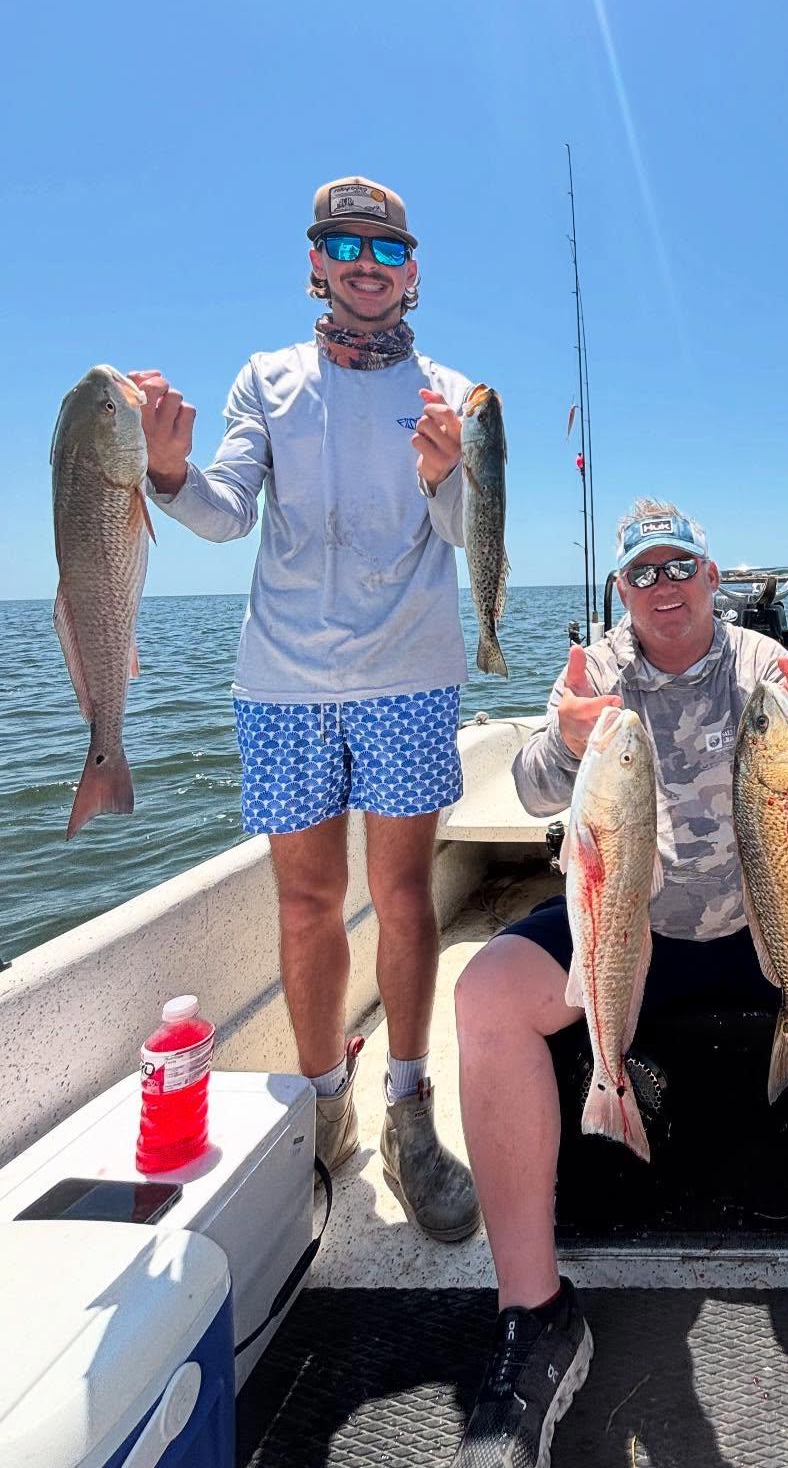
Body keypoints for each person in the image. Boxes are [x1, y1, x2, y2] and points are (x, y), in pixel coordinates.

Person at [452, 500, 788, 1467]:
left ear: (712, 578)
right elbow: (537, 788)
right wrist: (568, 739)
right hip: (632, 929)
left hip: (772, 912)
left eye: (681, 567)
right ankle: (533, 1309)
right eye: (643, 572)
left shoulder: (764, 667)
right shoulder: (594, 672)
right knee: (485, 993)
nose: (664, 586)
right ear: (621, 589)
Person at [129, 176, 479, 1242]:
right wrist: (167, 469)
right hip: (283, 685)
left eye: (388, 247)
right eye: (345, 242)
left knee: (406, 896)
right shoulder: (266, 378)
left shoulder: (448, 391)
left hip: (410, 677)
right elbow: (225, 511)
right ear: (317, 263)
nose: (368, 262)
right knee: (305, 902)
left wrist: (449, 475)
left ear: (412, 271)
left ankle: (409, 1108)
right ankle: (326, 1101)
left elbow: (468, 531)